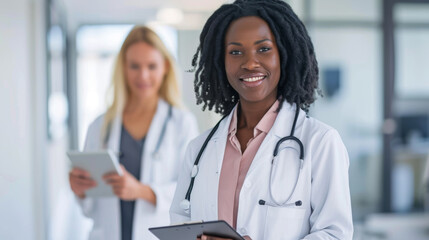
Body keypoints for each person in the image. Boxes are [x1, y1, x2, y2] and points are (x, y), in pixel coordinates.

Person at [169, 0, 353, 239]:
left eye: (263, 49)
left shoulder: (320, 142)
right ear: (220, 61)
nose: (250, 63)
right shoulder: (199, 149)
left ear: (284, 54)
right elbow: (180, 223)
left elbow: (334, 234)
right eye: (235, 52)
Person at [69, 26, 199, 240]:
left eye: (151, 66)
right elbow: (89, 209)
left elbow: (191, 193)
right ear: (123, 67)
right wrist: (80, 189)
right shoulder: (100, 126)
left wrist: (141, 191)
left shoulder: (181, 123)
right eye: (135, 66)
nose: (143, 75)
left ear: (165, 67)